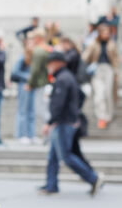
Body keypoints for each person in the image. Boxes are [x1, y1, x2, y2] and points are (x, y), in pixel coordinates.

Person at [38, 52, 104, 197]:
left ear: (57, 63)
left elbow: (58, 104)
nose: (48, 66)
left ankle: (93, 178)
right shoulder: (67, 77)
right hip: (66, 120)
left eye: (50, 63)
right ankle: (51, 185)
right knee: (53, 157)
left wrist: (50, 122)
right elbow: (80, 95)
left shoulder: (62, 79)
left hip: (63, 122)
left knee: (66, 157)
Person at [82, 23, 119, 129]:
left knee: (108, 94)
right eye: (103, 32)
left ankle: (108, 115)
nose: (105, 34)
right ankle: (101, 117)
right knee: (99, 94)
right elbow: (85, 57)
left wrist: (116, 73)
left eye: (107, 32)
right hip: (97, 69)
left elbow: (115, 60)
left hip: (108, 70)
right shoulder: (94, 44)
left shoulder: (112, 44)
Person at [11, 50, 34, 144]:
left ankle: (30, 135)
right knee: (22, 110)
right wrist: (27, 76)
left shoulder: (33, 58)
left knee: (31, 111)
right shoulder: (22, 58)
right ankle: (21, 135)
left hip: (32, 86)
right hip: (24, 86)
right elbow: (15, 72)